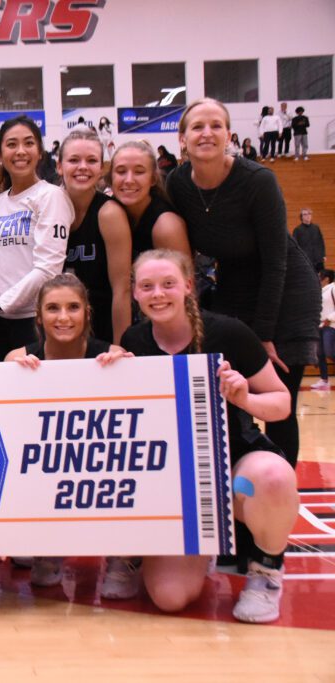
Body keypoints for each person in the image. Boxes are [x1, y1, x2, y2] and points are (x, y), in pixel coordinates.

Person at [122, 249, 299, 624]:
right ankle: (200, 550)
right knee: (169, 597)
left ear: (188, 286)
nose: (158, 294)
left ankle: (266, 572)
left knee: (273, 477)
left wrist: (245, 397)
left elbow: (281, 402)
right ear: (135, 293)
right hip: (174, 486)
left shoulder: (229, 332)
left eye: (169, 284)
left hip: (234, 473)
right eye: (147, 286)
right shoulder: (133, 341)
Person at [167, 98, 319, 468]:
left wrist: (264, 335)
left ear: (229, 135)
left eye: (216, 125)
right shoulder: (177, 184)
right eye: (198, 127)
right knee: (229, 397)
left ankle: (282, 497)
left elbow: (276, 262)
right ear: (182, 139)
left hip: (285, 295)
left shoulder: (258, 181)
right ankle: (239, 495)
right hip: (232, 290)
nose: (207, 133)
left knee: (278, 400)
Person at [4, 273, 130, 591]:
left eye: (73, 307)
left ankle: (122, 553)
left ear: (87, 312)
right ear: (39, 315)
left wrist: (130, 373)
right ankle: (47, 546)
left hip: (99, 466)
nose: (63, 317)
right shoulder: (17, 359)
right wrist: (15, 381)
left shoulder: (115, 356)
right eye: (53, 308)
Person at [0, 115, 74, 361]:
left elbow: (47, 270)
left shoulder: (51, 196)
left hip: (32, 322)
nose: (20, 151)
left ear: (40, 152)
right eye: (12, 144)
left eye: (28, 143)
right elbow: (10, 260)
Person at [57, 127, 131, 343]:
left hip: (101, 329)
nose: (82, 167)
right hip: (56, 328)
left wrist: (121, 346)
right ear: (59, 166)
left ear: (101, 169)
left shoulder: (110, 214)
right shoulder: (47, 207)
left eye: (91, 160)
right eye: (74, 160)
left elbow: (122, 290)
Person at [109, 141, 190, 260]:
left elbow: (183, 277)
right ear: (111, 177)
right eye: (121, 171)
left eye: (139, 172)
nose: (129, 180)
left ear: (153, 179)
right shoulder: (107, 209)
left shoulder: (167, 226)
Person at [313, 269, 335, 391]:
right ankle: (324, 380)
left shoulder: (333, 289)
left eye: (319, 276)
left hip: (330, 326)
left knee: (329, 352)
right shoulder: (319, 292)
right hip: (319, 326)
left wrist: (329, 319)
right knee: (320, 354)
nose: (318, 279)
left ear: (326, 279)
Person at [293, 208, 325, 272]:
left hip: (318, 259)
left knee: (320, 278)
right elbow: (295, 246)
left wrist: (323, 255)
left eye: (309, 214)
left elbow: (321, 242)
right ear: (301, 217)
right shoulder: (297, 230)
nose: (308, 216)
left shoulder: (316, 228)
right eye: (305, 214)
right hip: (306, 259)